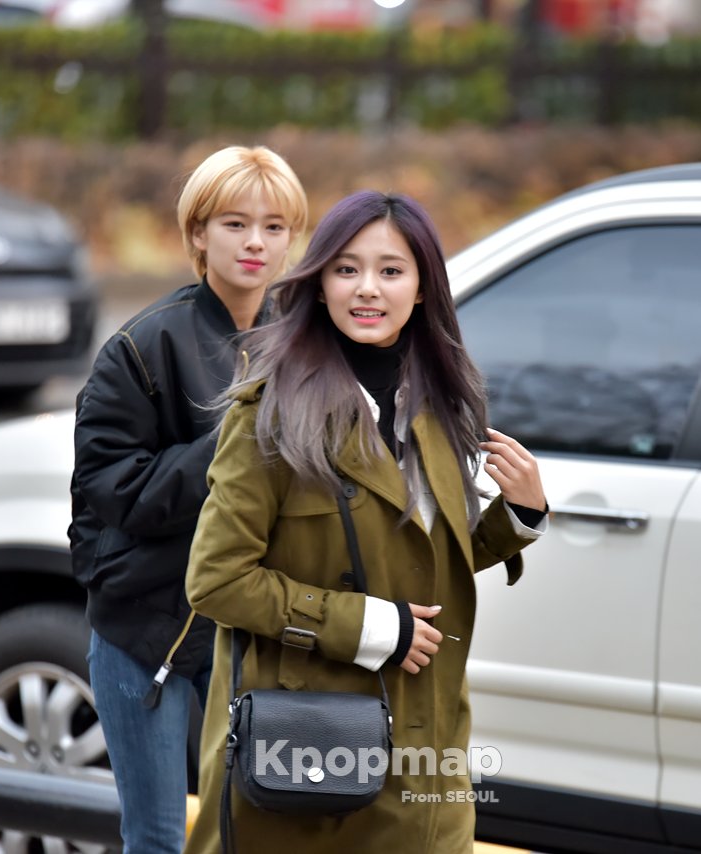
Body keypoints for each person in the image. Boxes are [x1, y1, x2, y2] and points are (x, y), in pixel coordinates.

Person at [184, 190, 548, 854]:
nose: (367, 289)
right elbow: (216, 581)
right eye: (347, 269)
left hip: (427, 751)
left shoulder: (439, 401)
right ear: (319, 283)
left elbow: (415, 555)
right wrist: (367, 627)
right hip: (308, 753)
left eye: (391, 270)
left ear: (422, 287)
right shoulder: (271, 412)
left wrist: (518, 515)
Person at [68, 145, 307, 854]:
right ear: (198, 233)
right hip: (146, 633)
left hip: (250, 630)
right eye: (235, 224)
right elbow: (114, 493)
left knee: (251, 834)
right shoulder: (141, 346)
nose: (256, 242)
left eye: (274, 227)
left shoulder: (302, 345)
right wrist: (233, 446)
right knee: (157, 838)